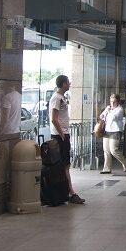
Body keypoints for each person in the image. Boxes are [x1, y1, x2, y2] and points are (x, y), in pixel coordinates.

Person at [49, 75, 85, 204]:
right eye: (68, 82)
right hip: (60, 136)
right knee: (65, 165)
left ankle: (66, 192)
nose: (70, 83)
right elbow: (54, 118)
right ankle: (71, 193)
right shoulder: (57, 98)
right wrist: (62, 135)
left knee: (65, 165)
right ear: (64, 84)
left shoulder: (61, 97)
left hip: (62, 134)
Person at [99, 93, 126, 174]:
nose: (112, 103)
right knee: (106, 150)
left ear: (118, 102)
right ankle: (107, 169)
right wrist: (105, 113)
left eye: (114, 101)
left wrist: (109, 111)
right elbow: (101, 116)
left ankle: (124, 162)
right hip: (107, 131)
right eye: (111, 101)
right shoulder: (108, 108)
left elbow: (114, 117)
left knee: (113, 150)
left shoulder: (120, 109)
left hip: (115, 131)